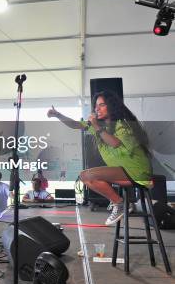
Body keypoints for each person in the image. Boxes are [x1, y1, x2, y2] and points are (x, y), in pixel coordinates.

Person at [48, 90, 153, 225]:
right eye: (96, 106)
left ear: (111, 106)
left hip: (137, 172)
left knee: (87, 176)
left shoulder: (123, 124)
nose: (97, 108)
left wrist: (97, 126)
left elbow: (114, 143)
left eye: (102, 105)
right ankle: (119, 203)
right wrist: (58, 115)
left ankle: (120, 204)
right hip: (123, 171)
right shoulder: (100, 125)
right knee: (85, 176)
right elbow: (75, 125)